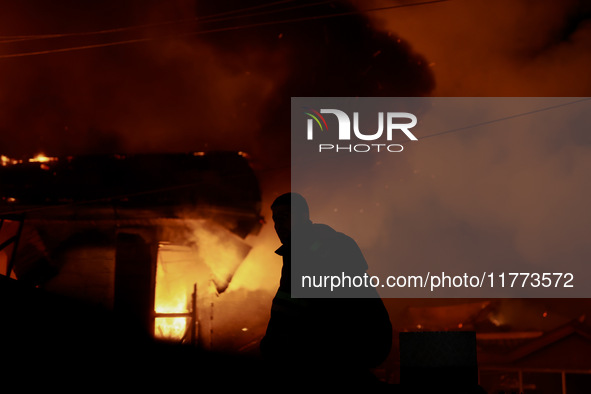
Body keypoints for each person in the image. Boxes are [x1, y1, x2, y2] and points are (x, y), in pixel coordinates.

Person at [260, 192, 392, 389]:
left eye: (284, 218)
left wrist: (270, 349)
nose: (278, 226)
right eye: (275, 220)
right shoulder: (326, 242)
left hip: (343, 349)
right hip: (365, 344)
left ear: (302, 216)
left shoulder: (305, 250)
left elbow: (287, 312)